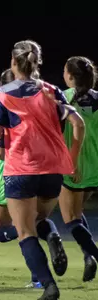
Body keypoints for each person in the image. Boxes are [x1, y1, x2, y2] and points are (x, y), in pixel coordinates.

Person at [0, 40, 85, 300]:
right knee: (37, 222)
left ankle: (49, 286)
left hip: (20, 169)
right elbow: (78, 123)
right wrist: (71, 159)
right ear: (36, 62)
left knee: (25, 231)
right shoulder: (51, 91)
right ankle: (51, 236)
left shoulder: (3, 93)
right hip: (52, 171)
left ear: (13, 62)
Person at [60, 56, 98, 282]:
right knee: (77, 212)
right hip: (95, 166)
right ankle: (87, 256)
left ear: (71, 77)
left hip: (74, 164)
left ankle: (93, 254)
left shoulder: (64, 98)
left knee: (70, 218)